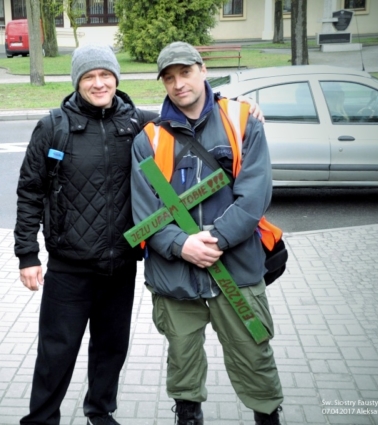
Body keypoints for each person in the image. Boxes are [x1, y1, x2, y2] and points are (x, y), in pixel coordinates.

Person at [14, 44, 263, 425]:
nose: (99, 83)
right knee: (56, 351)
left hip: (119, 265)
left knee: (111, 349)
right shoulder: (54, 127)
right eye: (89, 77)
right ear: (77, 82)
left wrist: (236, 106)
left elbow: (188, 114)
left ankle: (100, 412)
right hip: (69, 266)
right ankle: (41, 420)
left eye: (105, 75)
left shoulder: (137, 124)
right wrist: (27, 254)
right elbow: (30, 191)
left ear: (116, 78)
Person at [130, 42, 284, 425]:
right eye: (169, 77)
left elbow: (255, 196)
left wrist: (214, 242)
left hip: (236, 271)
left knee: (254, 356)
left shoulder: (242, 120)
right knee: (182, 363)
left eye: (185, 72)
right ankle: (188, 416)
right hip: (175, 277)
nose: (178, 83)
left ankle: (268, 417)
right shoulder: (149, 139)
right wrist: (182, 246)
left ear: (203, 70)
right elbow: (145, 213)